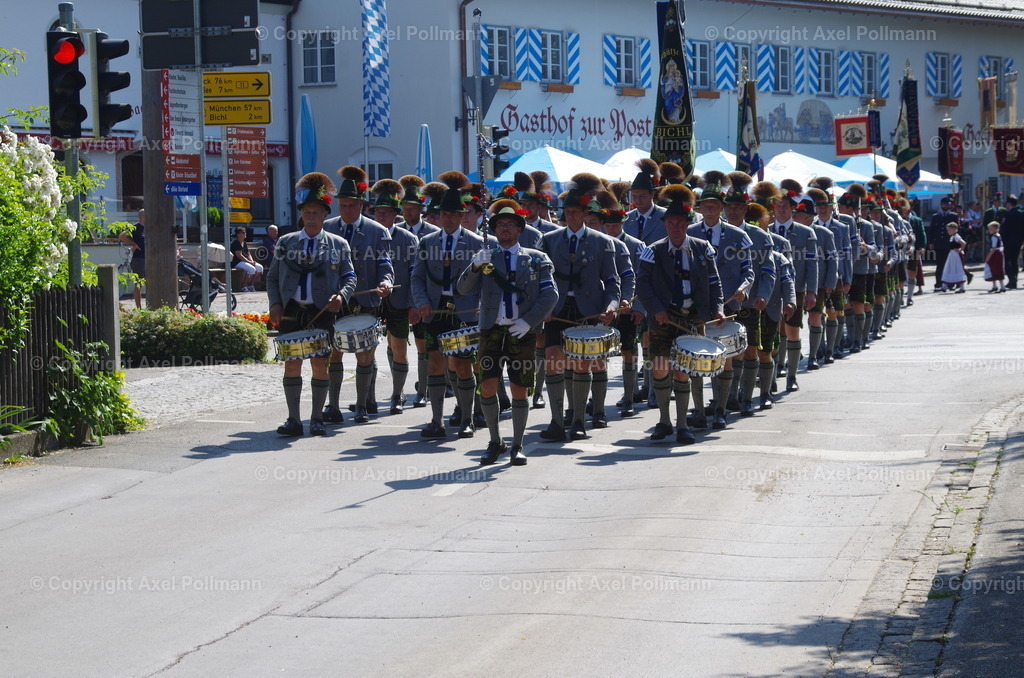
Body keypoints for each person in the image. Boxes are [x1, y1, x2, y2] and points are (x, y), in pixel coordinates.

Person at [457, 204, 558, 466]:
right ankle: (495, 441)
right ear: (494, 230)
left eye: (510, 224)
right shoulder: (487, 257)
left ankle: (517, 445)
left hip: (521, 332)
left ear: (520, 229)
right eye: (500, 225)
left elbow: (550, 294)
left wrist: (528, 321)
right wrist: (476, 266)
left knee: (519, 389)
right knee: (487, 385)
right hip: (491, 330)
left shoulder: (536, 258)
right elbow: (464, 289)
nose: (505, 228)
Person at [267, 172, 357, 437]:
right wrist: (275, 303)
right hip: (292, 310)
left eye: (316, 212)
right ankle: (294, 419)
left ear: (324, 215)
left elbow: (349, 277)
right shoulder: (286, 242)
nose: (311, 216)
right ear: (302, 215)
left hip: (322, 311)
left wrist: (341, 296)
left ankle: (317, 418)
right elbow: (272, 277)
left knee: (320, 363)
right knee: (292, 363)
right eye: (307, 212)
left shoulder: (338, 244)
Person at [635, 183, 725, 445]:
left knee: (684, 371)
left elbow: (714, 282)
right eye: (671, 222)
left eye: (680, 222)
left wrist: (717, 308)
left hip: (692, 316)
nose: (675, 226)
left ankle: (683, 424)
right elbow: (643, 284)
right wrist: (657, 310)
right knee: (661, 369)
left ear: (687, 223)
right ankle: (664, 421)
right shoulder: (652, 250)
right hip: (663, 318)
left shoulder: (703, 248)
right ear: (665, 224)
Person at [538, 173, 620, 442]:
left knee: (582, 365)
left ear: (586, 213)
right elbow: (540, 277)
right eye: (567, 212)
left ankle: (578, 421)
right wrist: (543, 307)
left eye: (575, 212)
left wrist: (611, 306)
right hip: (557, 309)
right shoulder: (550, 240)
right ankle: (556, 421)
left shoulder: (602, 241)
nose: (570, 216)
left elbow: (612, 280)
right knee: (553, 361)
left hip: (588, 310)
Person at [411, 171, 485, 439]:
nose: (449, 218)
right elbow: (417, 277)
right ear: (439, 215)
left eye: (455, 214)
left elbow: (487, 283)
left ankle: (467, 419)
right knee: (434, 363)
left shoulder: (478, 243)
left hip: (465, 310)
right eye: (445, 214)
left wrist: (481, 307)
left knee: (463, 364)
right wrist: (421, 303)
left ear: (463, 215)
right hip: (434, 309)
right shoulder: (426, 242)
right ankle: (436, 420)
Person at [322, 166, 395, 424]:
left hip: (366, 299)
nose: (347, 210)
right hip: (336, 300)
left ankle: (363, 405)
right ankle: (332, 405)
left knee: (365, 352)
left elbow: (386, 264)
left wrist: (386, 283)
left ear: (361, 205)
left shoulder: (378, 231)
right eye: (343, 205)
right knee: (334, 351)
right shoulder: (326, 228)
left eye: (352, 206)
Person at [687, 171, 754, 429]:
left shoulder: (738, 236)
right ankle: (699, 411)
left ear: (722, 208)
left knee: (724, 358)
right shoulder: (690, 232)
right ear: (700, 208)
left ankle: (721, 409)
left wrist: (743, 288)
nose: (710, 209)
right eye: (706, 206)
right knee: (697, 359)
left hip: (728, 305)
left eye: (715, 205)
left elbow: (749, 270)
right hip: (696, 306)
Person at [722, 172, 776, 417]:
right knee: (727, 352)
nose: (733, 212)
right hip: (723, 303)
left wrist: (763, 295)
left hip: (751, 301)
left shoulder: (759, 236)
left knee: (751, 348)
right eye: (729, 208)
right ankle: (728, 397)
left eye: (738, 208)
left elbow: (768, 270)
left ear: (746, 209)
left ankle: (747, 397)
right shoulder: (717, 233)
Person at [370, 179, 420, 414]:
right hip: (371, 301)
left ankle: (397, 395)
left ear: (394, 215)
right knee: (367, 348)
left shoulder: (408, 239)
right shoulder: (368, 235)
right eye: (378, 212)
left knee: (399, 345)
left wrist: (413, 304)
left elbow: (415, 274)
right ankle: (367, 396)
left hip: (399, 301)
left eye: (386, 213)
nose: (382, 217)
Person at [772, 179, 818, 392]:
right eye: (777, 206)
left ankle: (791, 376)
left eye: (785, 206)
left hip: (795, 289)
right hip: (771, 290)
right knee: (773, 332)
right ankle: (772, 374)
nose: (781, 210)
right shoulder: (767, 230)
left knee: (792, 331)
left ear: (793, 209)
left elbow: (812, 265)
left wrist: (811, 291)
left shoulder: (806, 232)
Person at [397, 175, 439, 408]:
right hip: (399, 296)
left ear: (421, 209)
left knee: (423, 344)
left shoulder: (432, 232)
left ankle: (422, 390)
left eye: (412, 208)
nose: (407, 212)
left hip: (424, 297)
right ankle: (398, 390)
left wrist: (418, 300)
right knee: (397, 343)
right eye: (405, 208)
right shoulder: (396, 231)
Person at [622, 159, 667, 244]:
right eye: (634, 196)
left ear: (652, 194)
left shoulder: (665, 217)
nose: (638, 200)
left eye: (642, 196)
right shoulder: (626, 218)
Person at [118, 208, 146, 308]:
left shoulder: (151, 228)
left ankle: (151, 306)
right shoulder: (135, 228)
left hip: (150, 259)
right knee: (138, 284)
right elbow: (121, 236)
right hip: (139, 259)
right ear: (142, 217)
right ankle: (138, 307)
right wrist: (134, 244)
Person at [231, 226, 264, 292]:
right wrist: (250, 262)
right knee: (252, 269)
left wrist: (252, 261)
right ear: (238, 234)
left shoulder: (244, 243)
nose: (245, 234)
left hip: (246, 261)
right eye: (243, 232)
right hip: (237, 262)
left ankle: (251, 285)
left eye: (245, 232)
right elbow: (239, 256)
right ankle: (244, 286)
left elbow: (248, 254)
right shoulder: (236, 243)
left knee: (260, 268)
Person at [1001, 195, 1024, 289]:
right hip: (1018, 241)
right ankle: (1014, 281)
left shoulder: (1007, 214)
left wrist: (1003, 240)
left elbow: (1004, 229)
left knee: (1007, 261)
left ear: (1009, 204)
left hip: (1008, 241)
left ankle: (1012, 278)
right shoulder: (1021, 214)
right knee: (1015, 261)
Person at [940, 221, 968, 292]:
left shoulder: (956, 237)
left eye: (949, 230)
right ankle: (945, 285)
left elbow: (963, 243)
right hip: (952, 254)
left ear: (954, 229)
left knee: (957, 269)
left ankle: (962, 287)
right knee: (949, 268)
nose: (948, 231)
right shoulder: (952, 237)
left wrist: (960, 249)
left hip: (956, 255)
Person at [984, 221, 1007, 293]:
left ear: (995, 229)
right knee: (994, 269)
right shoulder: (998, 235)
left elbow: (994, 247)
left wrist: (988, 256)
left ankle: (1001, 287)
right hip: (999, 253)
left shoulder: (994, 237)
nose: (989, 230)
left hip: (995, 254)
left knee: (995, 269)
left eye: (990, 229)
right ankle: (995, 286)